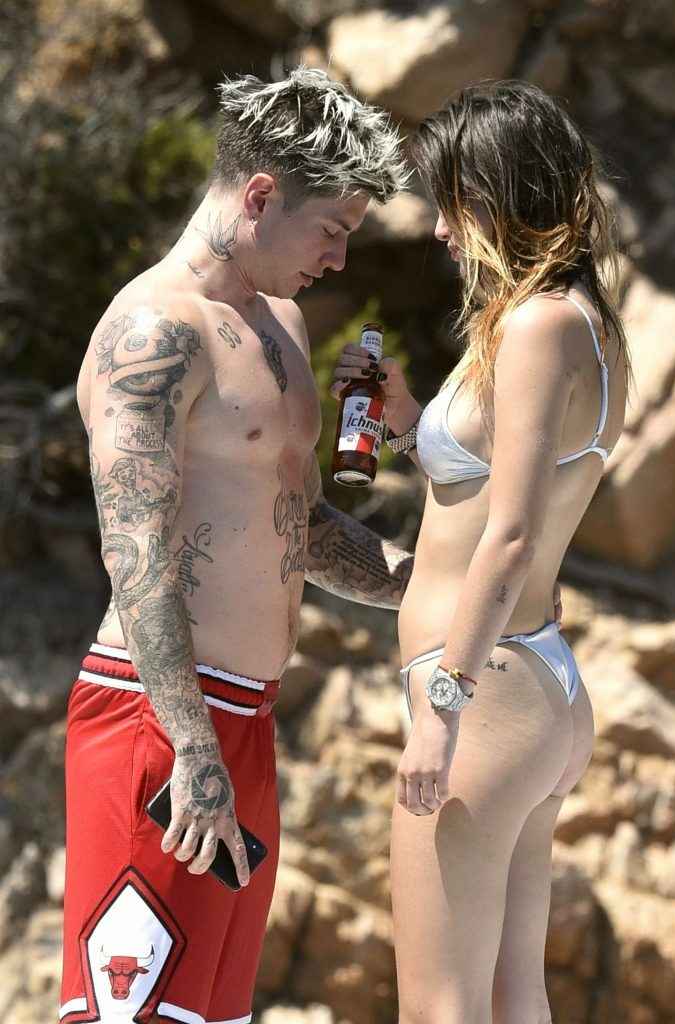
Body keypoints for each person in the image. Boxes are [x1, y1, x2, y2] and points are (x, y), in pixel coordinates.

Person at [59, 67, 415, 1024]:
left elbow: (299, 527)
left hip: (245, 718)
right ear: (259, 196)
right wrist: (191, 746)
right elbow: (133, 547)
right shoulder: (155, 329)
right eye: (330, 230)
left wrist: (429, 588)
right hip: (157, 717)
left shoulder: (281, 326)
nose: (338, 260)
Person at [331, 80, 631, 1024]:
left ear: (503, 195)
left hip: (481, 693)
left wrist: (440, 712)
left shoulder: (538, 327)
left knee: (439, 1009)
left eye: (454, 203)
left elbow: (510, 535)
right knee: (512, 998)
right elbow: (488, 486)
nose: (440, 231)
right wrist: (402, 417)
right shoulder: (577, 321)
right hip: (534, 687)